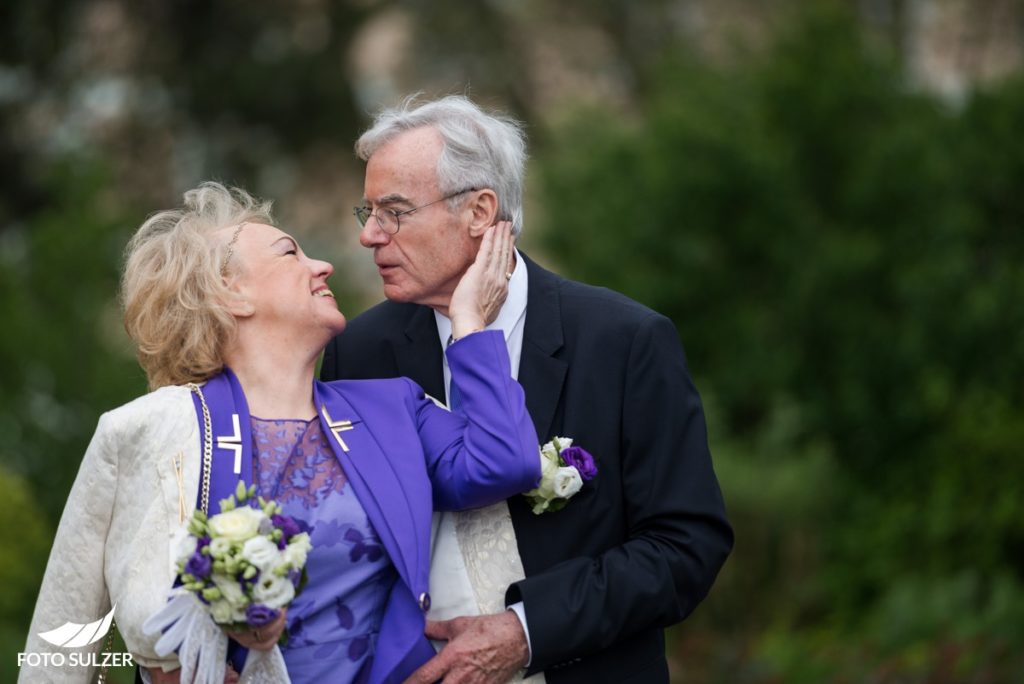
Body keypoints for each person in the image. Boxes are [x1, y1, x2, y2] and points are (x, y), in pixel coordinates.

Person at [20, 182, 540, 684]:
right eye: (291, 254)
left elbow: (506, 461)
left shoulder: (394, 407)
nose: (324, 265)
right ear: (231, 293)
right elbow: (61, 633)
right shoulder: (144, 428)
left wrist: (470, 322)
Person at [320, 95, 734, 683]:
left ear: (480, 211)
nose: (370, 237)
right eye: (369, 213)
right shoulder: (358, 353)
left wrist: (527, 631)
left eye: (395, 212)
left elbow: (686, 546)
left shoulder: (623, 341)